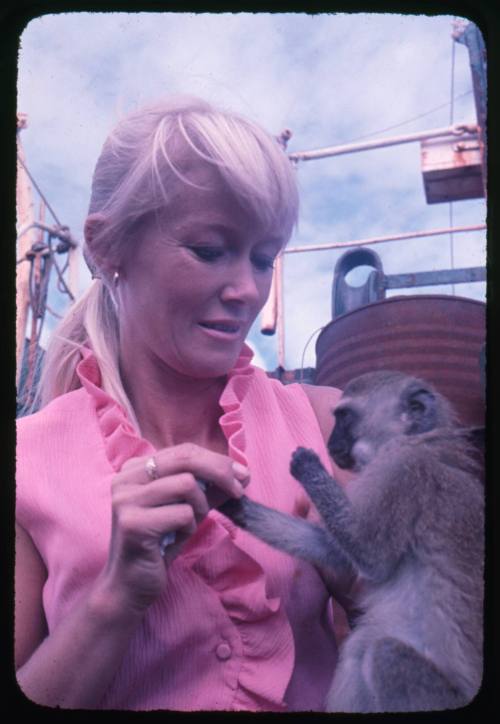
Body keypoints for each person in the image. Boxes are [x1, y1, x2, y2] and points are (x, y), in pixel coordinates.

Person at [15, 96, 352, 711]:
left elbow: (423, 651)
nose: (247, 290)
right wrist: (115, 597)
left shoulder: (327, 423)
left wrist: (364, 581)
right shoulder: (24, 464)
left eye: (262, 257)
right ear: (107, 247)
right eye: (209, 249)